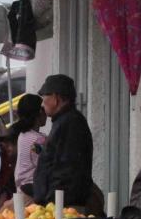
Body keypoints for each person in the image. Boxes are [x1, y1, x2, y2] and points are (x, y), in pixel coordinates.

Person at [31, 74, 94, 209]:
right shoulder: (64, 121)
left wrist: (51, 202)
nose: (42, 104)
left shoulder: (71, 123)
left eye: (44, 98)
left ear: (55, 98)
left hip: (63, 205)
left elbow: (66, 169)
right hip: (56, 203)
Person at [6, 93, 47, 199]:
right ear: (40, 112)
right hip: (32, 192)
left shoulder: (23, 134)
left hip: (21, 189)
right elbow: (44, 163)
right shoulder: (37, 140)